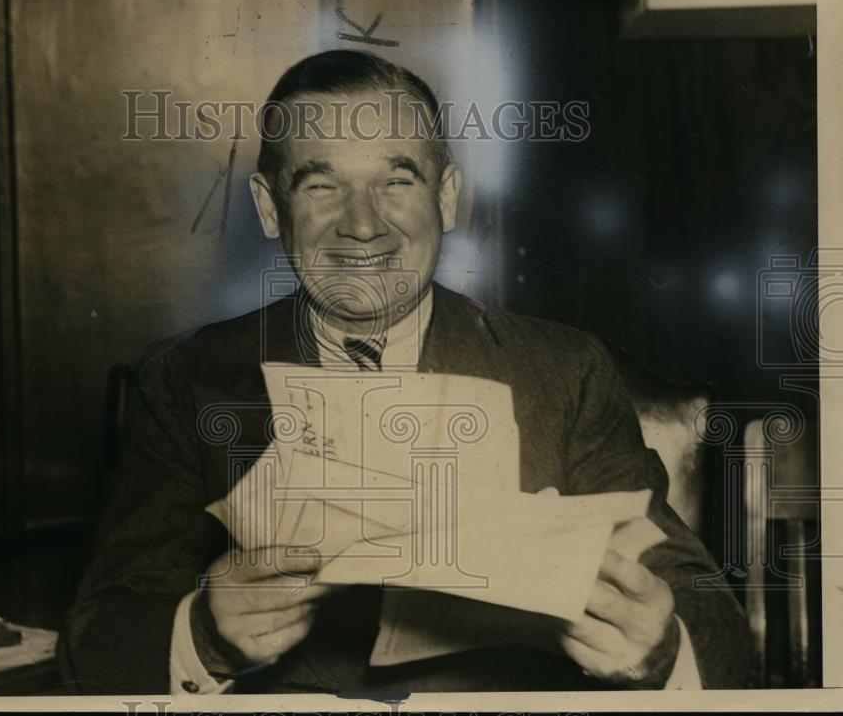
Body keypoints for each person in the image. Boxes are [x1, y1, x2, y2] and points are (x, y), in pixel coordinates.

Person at [60, 49, 751, 694]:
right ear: (271, 208)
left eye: (397, 180)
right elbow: (92, 646)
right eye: (321, 184)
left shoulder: (564, 373)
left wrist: (662, 649)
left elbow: (714, 627)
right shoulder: (185, 382)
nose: (363, 224)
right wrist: (203, 636)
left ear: (446, 197)